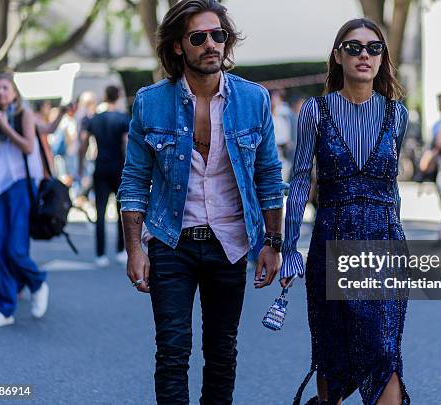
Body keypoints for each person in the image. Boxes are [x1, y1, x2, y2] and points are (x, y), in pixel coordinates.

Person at [117, 1, 287, 403]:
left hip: (229, 242)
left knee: (222, 354)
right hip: (171, 241)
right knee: (173, 353)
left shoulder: (253, 100)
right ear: (179, 46)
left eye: (218, 35)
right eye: (199, 37)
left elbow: (269, 176)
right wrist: (134, 248)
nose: (211, 44)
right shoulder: (150, 102)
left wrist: (273, 243)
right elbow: (134, 180)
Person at [280, 18, 410, 405]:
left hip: (385, 246)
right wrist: (289, 250)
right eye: (354, 48)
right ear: (338, 56)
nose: (364, 55)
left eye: (374, 48)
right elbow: (301, 179)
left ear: (383, 57)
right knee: (332, 359)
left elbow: (392, 187)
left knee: (385, 354)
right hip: (332, 244)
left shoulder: (397, 115)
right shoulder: (315, 111)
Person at [0, 71, 49, 327]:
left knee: (15, 248)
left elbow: (28, 147)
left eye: (5, 87)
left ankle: (37, 282)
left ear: (14, 91)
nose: (1, 92)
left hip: (19, 185)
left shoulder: (22, 114)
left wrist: (5, 127)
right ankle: (4, 308)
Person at [80, 86, 129, 267]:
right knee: (121, 211)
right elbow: (126, 143)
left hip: (100, 166)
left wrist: (80, 166)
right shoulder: (124, 118)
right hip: (118, 167)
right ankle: (120, 250)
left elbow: (83, 142)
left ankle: (100, 254)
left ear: (105, 96)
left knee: (100, 212)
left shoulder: (95, 119)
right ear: (119, 97)